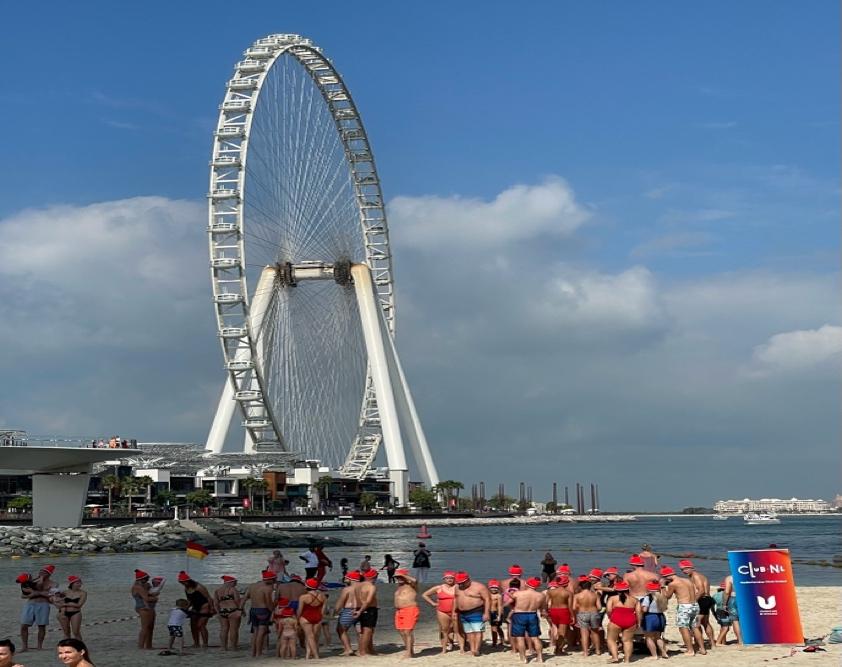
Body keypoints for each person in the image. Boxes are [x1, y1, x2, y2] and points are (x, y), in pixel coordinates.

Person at [661, 566, 706, 656]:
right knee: (695, 627)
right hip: (694, 605)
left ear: (667, 577)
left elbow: (667, 596)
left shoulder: (673, 584)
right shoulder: (687, 580)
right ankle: (702, 648)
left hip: (684, 606)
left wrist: (662, 586)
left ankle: (690, 650)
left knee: (683, 628)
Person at [422, 570, 462, 654]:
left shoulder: (458, 587)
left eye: (451, 578)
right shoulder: (439, 587)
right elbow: (425, 594)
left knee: (457, 629)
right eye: (447, 578)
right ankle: (444, 649)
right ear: (444, 579)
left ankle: (461, 648)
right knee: (444, 630)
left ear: (455, 579)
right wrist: (433, 603)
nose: (449, 580)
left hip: (456, 611)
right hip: (442, 611)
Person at [679, 559, 716, 649]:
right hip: (707, 599)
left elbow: (701, 590)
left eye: (685, 569)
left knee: (696, 623)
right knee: (705, 623)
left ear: (691, 568)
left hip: (703, 599)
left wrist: (693, 601)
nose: (684, 571)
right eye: (682, 570)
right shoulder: (695, 576)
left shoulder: (696, 576)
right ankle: (712, 644)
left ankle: (699, 644)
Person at [509, 577, 546, 663]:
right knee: (535, 637)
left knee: (520, 637)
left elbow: (510, 602)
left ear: (526, 584)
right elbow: (543, 609)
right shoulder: (541, 595)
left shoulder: (518, 593)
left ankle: (523, 658)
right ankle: (540, 657)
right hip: (532, 614)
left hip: (519, 614)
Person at [20, 564, 55, 652]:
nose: (41, 573)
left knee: (41, 626)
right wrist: (37, 593)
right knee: (24, 625)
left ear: (49, 574)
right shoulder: (32, 581)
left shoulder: (53, 584)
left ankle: (39, 646)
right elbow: (23, 595)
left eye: (44, 572)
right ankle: (25, 646)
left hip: (43, 604)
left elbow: (51, 596)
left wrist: (38, 593)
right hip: (30, 604)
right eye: (41, 571)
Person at [454, 571, 490, 656]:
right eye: (459, 583)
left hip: (476, 611)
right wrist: (454, 611)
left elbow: (487, 599)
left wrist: (486, 613)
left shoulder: (479, 587)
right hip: (463, 613)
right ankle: (472, 649)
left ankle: (477, 650)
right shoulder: (457, 587)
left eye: (462, 583)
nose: (461, 585)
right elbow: (456, 598)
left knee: (477, 631)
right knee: (469, 632)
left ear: (468, 580)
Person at [605, 581, 640, 664]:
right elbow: (639, 613)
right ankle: (627, 660)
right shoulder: (635, 600)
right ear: (628, 590)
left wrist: (610, 617)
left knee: (611, 640)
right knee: (628, 641)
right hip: (630, 621)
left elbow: (609, 610)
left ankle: (615, 657)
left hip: (616, 620)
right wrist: (639, 622)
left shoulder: (612, 598)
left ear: (617, 590)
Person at [177, 571, 214, 648]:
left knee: (201, 625)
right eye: (181, 582)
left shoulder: (199, 587)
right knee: (193, 626)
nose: (183, 584)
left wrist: (212, 608)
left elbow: (208, 598)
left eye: (184, 582)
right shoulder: (186, 588)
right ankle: (196, 643)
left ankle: (205, 643)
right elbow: (190, 600)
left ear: (188, 581)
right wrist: (186, 609)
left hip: (205, 606)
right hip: (195, 607)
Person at [244, 570, 276, 657]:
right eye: (274, 579)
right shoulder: (268, 588)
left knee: (255, 632)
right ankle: (258, 653)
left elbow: (245, 598)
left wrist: (241, 608)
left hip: (253, 610)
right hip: (263, 611)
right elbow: (268, 603)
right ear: (270, 579)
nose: (274, 581)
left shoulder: (252, 586)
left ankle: (253, 652)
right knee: (261, 633)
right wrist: (273, 610)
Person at [392, 569, 420, 658]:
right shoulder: (399, 586)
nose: (398, 579)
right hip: (399, 611)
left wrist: (404, 576)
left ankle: (408, 653)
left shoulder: (411, 585)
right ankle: (410, 650)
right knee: (401, 631)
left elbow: (415, 580)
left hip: (410, 609)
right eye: (397, 577)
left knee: (407, 631)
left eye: (400, 577)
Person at [297, 578, 326, 659]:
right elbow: (323, 610)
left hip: (306, 617)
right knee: (314, 637)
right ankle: (308, 655)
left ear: (307, 586)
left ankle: (316, 655)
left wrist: (297, 619)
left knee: (309, 636)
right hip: (317, 617)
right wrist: (320, 617)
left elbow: (299, 610)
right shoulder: (323, 596)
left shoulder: (303, 597)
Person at [572, 579, 602, 657]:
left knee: (584, 634)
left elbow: (574, 607)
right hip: (594, 613)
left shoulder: (577, 596)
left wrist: (580, 607)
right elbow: (599, 607)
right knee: (595, 632)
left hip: (582, 613)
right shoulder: (595, 595)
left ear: (581, 587)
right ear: (590, 586)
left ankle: (585, 652)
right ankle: (598, 650)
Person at [354, 569, 379, 656]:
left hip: (358, 607)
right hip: (369, 609)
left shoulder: (358, 585)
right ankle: (363, 651)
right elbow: (368, 601)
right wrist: (361, 611)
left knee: (365, 631)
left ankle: (370, 650)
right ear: (374, 577)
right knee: (367, 631)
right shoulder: (371, 587)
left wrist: (357, 610)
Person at [130, 569, 158, 650]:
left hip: (149, 607)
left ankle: (149, 645)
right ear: (141, 579)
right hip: (143, 608)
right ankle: (141, 646)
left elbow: (148, 594)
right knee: (145, 627)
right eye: (146, 579)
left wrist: (153, 593)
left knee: (150, 627)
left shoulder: (143, 586)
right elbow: (146, 598)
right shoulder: (138, 587)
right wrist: (155, 598)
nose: (147, 580)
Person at [546, 574, 573, 655]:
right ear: (566, 583)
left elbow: (546, 603)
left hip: (553, 610)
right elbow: (570, 606)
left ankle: (557, 647)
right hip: (563, 611)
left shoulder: (550, 591)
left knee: (557, 629)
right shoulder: (568, 593)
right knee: (562, 632)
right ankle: (558, 650)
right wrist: (573, 616)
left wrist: (546, 611)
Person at [334, 571, 360, 656]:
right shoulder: (362, 587)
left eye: (346, 578)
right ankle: (361, 649)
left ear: (350, 579)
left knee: (341, 629)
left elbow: (340, 602)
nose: (344, 579)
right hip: (360, 610)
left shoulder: (347, 589)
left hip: (349, 610)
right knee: (359, 631)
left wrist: (335, 611)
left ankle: (348, 649)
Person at [641, 580, 669, 659]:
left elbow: (645, 610)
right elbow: (665, 608)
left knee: (649, 637)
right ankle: (663, 652)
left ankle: (654, 655)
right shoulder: (662, 596)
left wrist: (641, 608)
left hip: (650, 617)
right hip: (661, 617)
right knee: (658, 637)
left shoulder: (648, 597)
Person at [215, 574, 242, 651]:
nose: (236, 583)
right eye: (235, 582)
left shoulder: (217, 591)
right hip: (233, 610)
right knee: (234, 629)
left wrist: (218, 613)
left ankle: (223, 647)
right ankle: (233, 647)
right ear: (230, 582)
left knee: (224, 629)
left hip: (222, 611)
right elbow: (237, 601)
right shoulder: (233, 589)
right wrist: (240, 610)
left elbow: (216, 603)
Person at [56, 576, 87, 640]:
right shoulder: (65, 592)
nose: (80, 584)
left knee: (76, 632)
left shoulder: (83, 593)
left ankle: (80, 647)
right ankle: (67, 647)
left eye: (80, 583)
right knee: (66, 632)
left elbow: (79, 605)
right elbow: (58, 602)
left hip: (75, 612)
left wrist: (66, 604)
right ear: (72, 584)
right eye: (77, 583)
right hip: (63, 613)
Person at [719, 575, 742, 645]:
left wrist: (724, 604)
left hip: (734, 598)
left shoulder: (730, 578)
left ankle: (740, 640)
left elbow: (727, 592)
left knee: (735, 620)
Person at [487, 580, 504, 648]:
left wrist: (499, 615)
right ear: (489, 588)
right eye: (492, 587)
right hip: (489, 612)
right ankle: (496, 641)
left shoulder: (498, 596)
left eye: (496, 588)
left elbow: (500, 606)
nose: (494, 589)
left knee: (496, 628)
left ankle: (496, 642)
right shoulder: (487, 594)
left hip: (496, 613)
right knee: (493, 627)